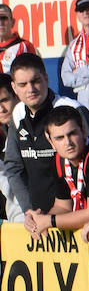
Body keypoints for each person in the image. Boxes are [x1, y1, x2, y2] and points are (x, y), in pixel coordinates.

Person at [4, 53, 89, 215]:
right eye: (23, 84)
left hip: (80, 218)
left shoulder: (72, 109)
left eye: (35, 81)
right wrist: (28, 210)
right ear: (14, 88)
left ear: (46, 78)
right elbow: (13, 168)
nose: (30, 89)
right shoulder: (17, 114)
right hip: (39, 218)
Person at [23, 108, 89, 239]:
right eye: (59, 138)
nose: (68, 143)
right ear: (50, 141)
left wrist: (50, 221)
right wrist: (39, 220)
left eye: (72, 134)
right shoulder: (58, 161)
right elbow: (63, 207)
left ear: (83, 130)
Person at [61, 0, 89, 110]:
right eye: (81, 10)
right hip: (83, 103)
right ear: (77, 15)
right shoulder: (74, 45)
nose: (85, 13)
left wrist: (77, 72)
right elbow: (66, 78)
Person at [0, 73, 20, 220]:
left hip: (29, 218)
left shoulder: (29, 129)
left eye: (4, 101)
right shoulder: (6, 131)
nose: (1, 109)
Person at [0, 3, 36, 73]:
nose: (1, 22)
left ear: (12, 22)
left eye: (4, 18)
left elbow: (33, 75)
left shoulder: (24, 46)